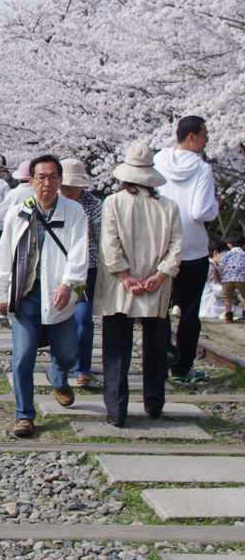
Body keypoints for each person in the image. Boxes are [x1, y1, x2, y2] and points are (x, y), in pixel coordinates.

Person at [0, 155, 89, 438]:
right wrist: (0, 293)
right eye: (41, 177)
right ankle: (24, 415)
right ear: (31, 181)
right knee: (22, 357)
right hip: (26, 295)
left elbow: (80, 250)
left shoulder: (73, 212)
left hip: (60, 293)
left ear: (60, 180)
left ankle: (58, 376)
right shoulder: (19, 212)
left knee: (69, 353)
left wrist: (68, 283)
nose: (47, 183)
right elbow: (4, 255)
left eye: (53, 177)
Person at [96, 144, 183, 426]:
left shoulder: (113, 202)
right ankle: (155, 402)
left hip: (121, 287)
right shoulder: (168, 207)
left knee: (117, 348)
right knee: (156, 346)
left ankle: (117, 409)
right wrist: (161, 274)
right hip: (157, 287)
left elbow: (109, 243)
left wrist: (124, 275)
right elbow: (177, 245)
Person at [155, 117, 220, 382]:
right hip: (192, 249)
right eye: (205, 137)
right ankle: (182, 369)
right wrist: (216, 204)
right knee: (189, 313)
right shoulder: (202, 169)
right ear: (192, 137)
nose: (206, 142)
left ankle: (164, 353)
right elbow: (201, 211)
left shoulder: (158, 160)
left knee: (160, 309)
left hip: (160, 246)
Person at [60, 158, 103, 388]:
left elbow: (101, 238)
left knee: (83, 317)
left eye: (73, 186)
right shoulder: (53, 202)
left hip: (87, 269)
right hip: (58, 268)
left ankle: (82, 367)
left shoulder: (93, 205)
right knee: (57, 318)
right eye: (64, 185)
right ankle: (61, 364)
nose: (67, 191)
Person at [216, 233, 245, 322]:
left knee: (227, 298)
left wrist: (222, 277)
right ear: (244, 245)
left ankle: (228, 316)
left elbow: (221, 267)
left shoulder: (226, 254)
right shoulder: (243, 254)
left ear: (229, 245)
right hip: (241, 278)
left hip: (227, 278)